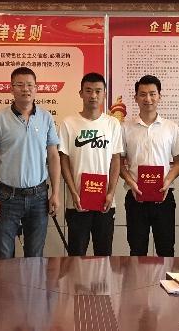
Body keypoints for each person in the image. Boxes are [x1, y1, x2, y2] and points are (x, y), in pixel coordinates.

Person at [0, 66, 61, 258]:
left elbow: (53, 156)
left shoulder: (46, 118)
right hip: (6, 196)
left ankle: (32, 281)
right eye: (20, 85)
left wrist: (56, 193)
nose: (25, 89)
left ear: (36, 89)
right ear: (11, 89)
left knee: (35, 255)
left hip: (39, 196)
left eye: (30, 85)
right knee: (3, 254)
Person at [59, 72, 123, 256]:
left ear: (104, 94)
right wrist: (73, 192)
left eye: (98, 91)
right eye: (88, 90)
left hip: (105, 203)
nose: (93, 95)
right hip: (77, 203)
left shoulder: (112, 124)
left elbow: (116, 160)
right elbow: (63, 161)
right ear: (81, 93)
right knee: (76, 256)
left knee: (103, 255)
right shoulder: (68, 123)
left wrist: (111, 192)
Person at [120, 75, 179, 256]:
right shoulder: (125, 128)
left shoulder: (171, 127)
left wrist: (167, 180)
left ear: (159, 97)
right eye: (143, 94)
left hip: (164, 197)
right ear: (136, 98)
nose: (148, 98)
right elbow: (119, 163)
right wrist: (131, 182)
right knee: (137, 251)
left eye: (152, 94)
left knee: (166, 250)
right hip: (135, 197)